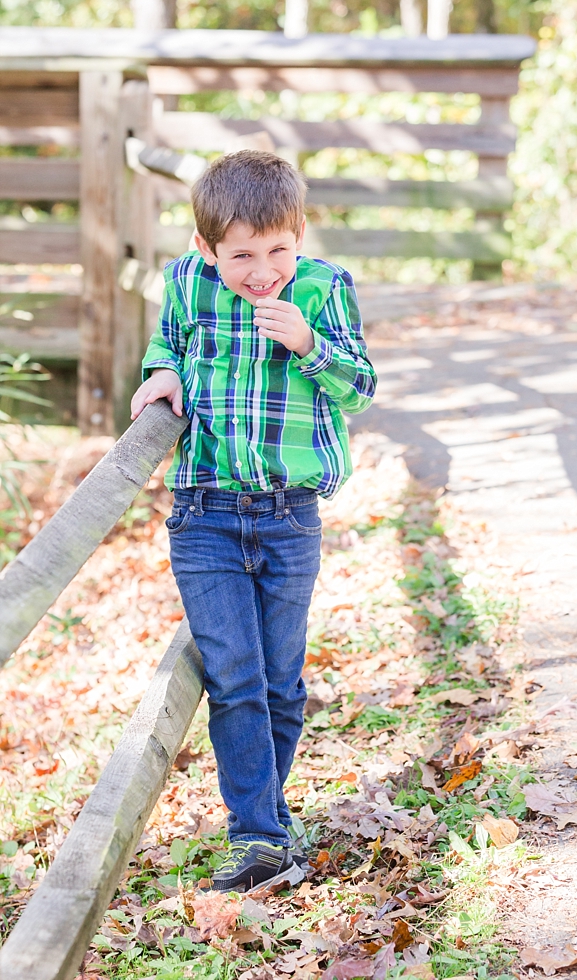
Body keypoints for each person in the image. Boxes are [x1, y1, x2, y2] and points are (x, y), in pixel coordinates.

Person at [130, 150, 376, 893]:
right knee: (235, 677)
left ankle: (270, 819)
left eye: (278, 250)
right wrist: (161, 370)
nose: (261, 270)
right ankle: (261, 836)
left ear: (299, 235)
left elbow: (360, 387)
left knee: (280, 683)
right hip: (204, 513)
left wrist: (307, 343)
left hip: (288, 517)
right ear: (207, 249)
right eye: (241, 255)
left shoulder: (324, 289)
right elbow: (168, 341)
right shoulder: (184, 283)